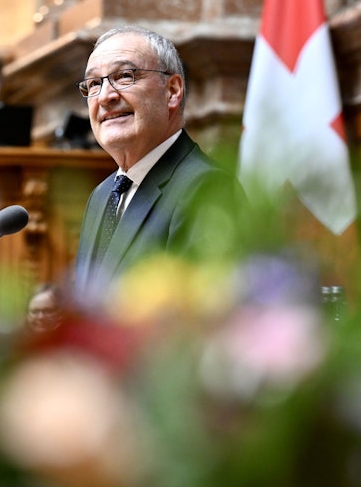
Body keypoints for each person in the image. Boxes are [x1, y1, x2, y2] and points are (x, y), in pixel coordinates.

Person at [72, 25, 245, 306]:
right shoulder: (101, 196)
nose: (105, 96)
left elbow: (204, 316)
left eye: (124, 76)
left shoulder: (206, 187)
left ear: (172, 91)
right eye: (93, 84)